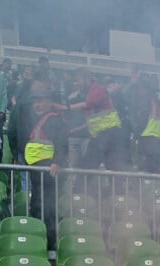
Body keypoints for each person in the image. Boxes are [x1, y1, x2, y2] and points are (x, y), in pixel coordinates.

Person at [24, 89, 68, 245]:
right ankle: (39, 239)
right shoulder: (42, 119)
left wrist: (56, 161)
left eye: (40, 101)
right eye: (35, 102)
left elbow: (61, 142)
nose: (37, 105)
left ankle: (48, 241)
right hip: (39, 168)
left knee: (46, 206)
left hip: (47, 169)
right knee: (38, 204)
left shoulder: (54, 119)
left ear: (50, 102)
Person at [68, 69, 128, 172]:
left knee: (88, 168)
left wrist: (66, 107)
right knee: (110, 169)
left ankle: (82, 187)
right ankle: (116, 186)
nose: (77, 83)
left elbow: (89, 103)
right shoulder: (91, 93)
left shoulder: (97, 90)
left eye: (79, 80)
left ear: (86, 79)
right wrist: (76, 129)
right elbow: (91, 121)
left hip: (109, 134)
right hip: (102, 136)